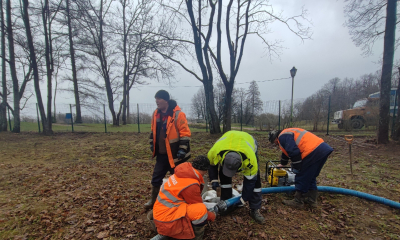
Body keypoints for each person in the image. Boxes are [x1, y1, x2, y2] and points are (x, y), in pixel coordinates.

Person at [145, 90, 191, 209]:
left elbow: (185, 134)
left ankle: (183, 201)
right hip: (161, 155)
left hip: (176, 155)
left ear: (166, 100)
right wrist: (152, 144)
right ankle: (153, 200)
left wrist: (182, 150)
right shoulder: (156, 114)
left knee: (179, 179)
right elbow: (153, 131)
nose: (157, 102)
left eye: (159, 99)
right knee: (156, 178)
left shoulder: (178, 114)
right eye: (156, 99)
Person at [207, 130, 265, 224]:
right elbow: (211, 165)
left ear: (241, 163)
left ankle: (254, 209)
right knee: (224, 177)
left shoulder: (250, 161)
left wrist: (243, 199)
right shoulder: (214, 152)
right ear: (224, 158)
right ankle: (226, 204)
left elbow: (250, 182)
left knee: (256, 183)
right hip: (228, 139)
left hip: (248, 141)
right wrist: (214, 181)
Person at [152, 155, 216, 240]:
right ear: (205, 170)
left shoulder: (183, 172)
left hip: (160, 214)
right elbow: (197, 205)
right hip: (167, 221)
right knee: (200, 211)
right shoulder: (191, 184)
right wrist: (211, 215)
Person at [268, 128, 333, 208]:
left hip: (312, 151)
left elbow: (293, 151)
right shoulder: (287, 133)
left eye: (274, 142)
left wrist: (297, 167)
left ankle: (298, 201)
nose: (275, 144)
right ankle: (312, 200)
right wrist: (283, 164)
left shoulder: (282, 136)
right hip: (322, 149)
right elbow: (286, 151)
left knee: (302, 175)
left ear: (275, 138)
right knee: (310, 176)